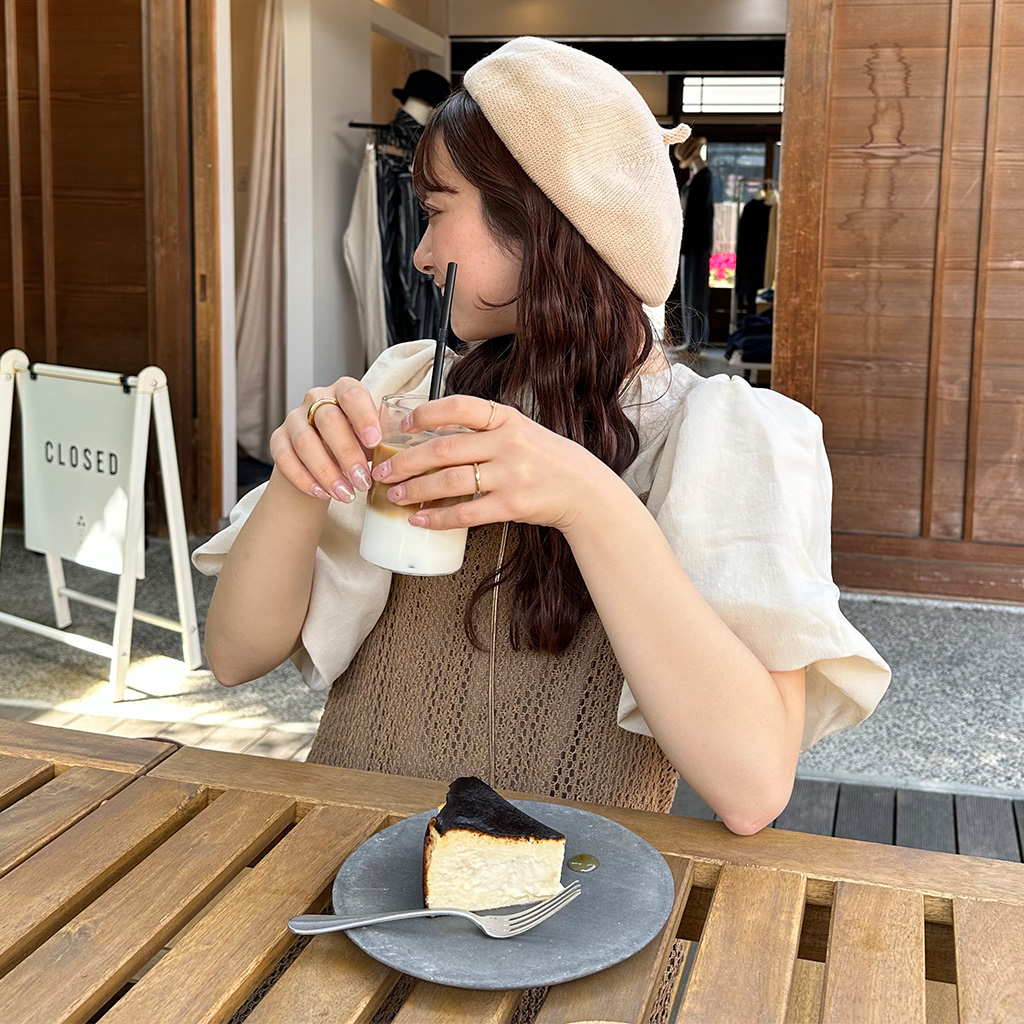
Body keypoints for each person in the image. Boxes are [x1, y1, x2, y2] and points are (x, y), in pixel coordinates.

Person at [193, 37, 890, 1022]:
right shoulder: (407, 390)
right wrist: (301, 482)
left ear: (544, 225)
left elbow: (750, 786)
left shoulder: (722, 439)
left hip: (557, 934)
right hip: (353, 892)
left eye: (437, 211)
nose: (419, 253)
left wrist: (588, 499)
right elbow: (234, 655)